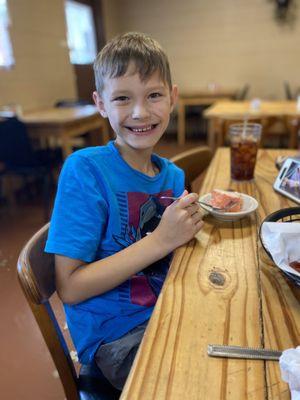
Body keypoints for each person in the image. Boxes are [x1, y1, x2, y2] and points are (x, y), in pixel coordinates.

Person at [45, 32, 204, 390]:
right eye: (122, 98)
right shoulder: (85, 170)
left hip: (169, 308)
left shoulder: (174, 177)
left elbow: (174, 251)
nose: (140, 112)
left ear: (173, 97)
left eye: (154, 95)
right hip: (116, 335)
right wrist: (162, 240)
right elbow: (70, 287)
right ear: (101, 103)